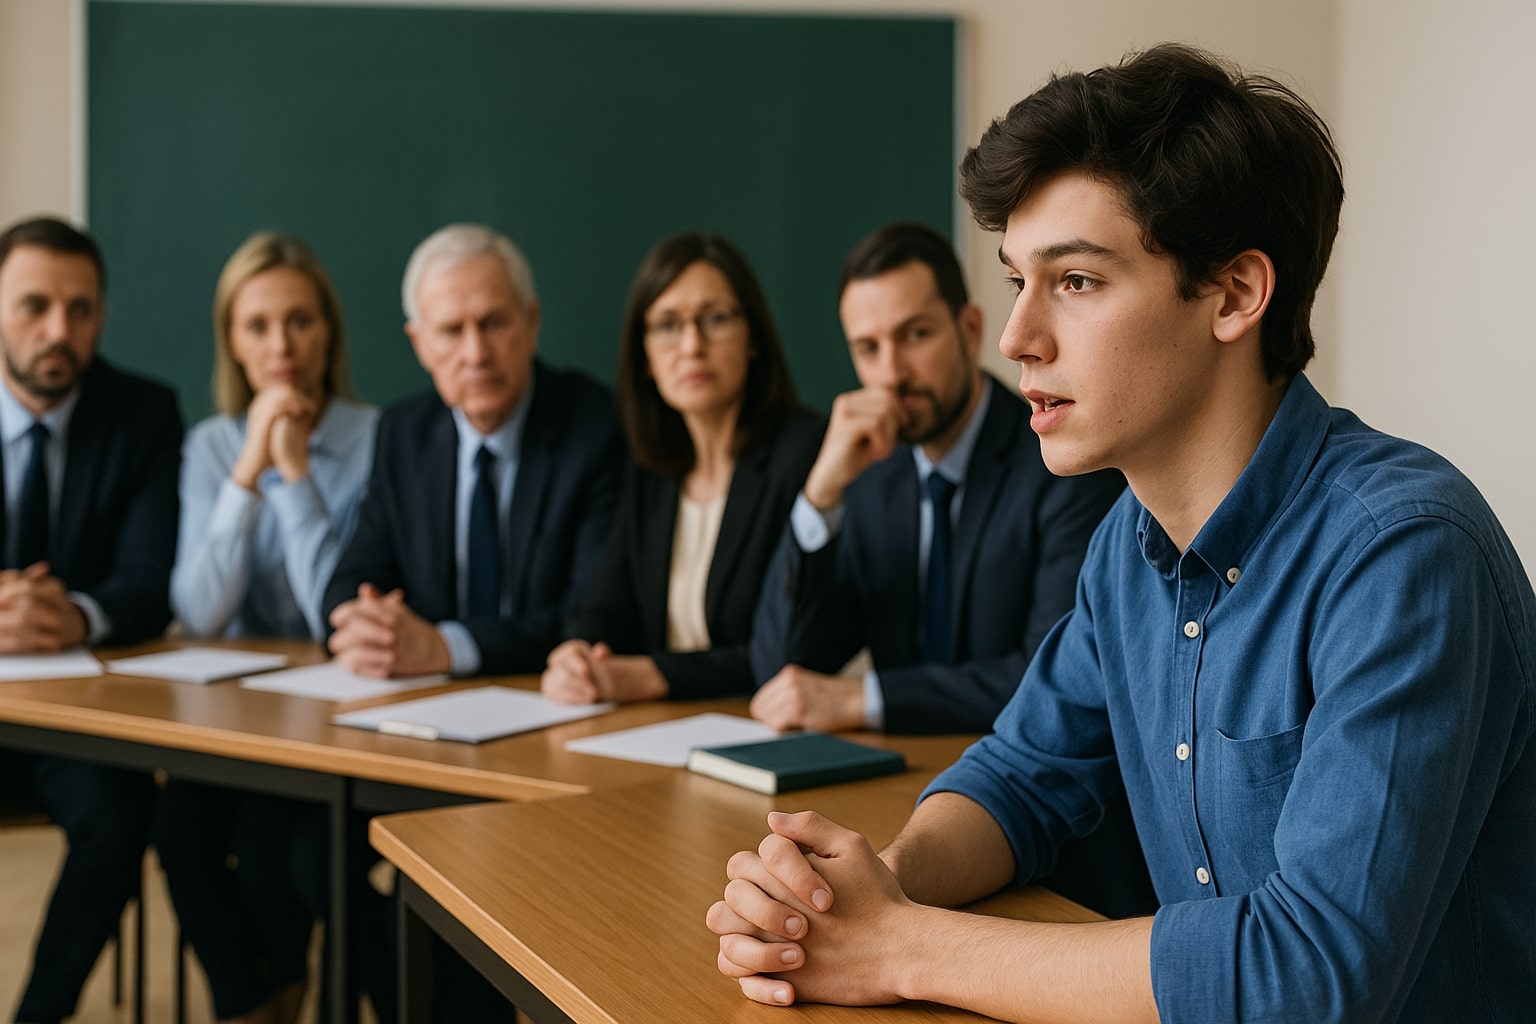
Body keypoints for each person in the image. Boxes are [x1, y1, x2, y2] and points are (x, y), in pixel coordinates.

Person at [708, 44, 1536, 1023]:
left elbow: (1311, 974)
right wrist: (865, 895)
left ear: (1234, 294)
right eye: (1019, 279)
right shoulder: (1127, 544)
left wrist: (902, 948)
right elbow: (1022, 775)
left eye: (1077, 282)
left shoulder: (1404, 554)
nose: (1016, 338)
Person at [748, 222, 1124, 736]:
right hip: (896, 776)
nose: (891, 373)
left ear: (969, 331)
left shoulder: (1061, 461)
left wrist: (868, 699)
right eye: (867, 348)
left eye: (915, 335)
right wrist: (820, 496)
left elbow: (1053, 678)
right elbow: (780, 669)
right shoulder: (868, 474)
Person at [156, 232, 378, 1024]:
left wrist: (293, 474)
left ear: (329, 332)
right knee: (179, 834)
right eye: (257, 326)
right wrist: (247, 467)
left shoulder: (376, 438)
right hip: (235, 722)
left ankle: (281, 998)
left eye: (300, 321)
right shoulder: (211, 445)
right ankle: (254, 1003)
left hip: (339, 724)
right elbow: (200, 609)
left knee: (278, 855)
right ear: (232, 342)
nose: (280, 345)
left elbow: (334, 615)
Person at [0, 216, 181, 1024]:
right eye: (33, 306)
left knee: (119, 818)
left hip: (75, 717)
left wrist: (72, 613)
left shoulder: (142, 413)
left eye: (80, 309)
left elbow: (148, 585)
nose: (57, 331)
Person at [321, 222, 623, 678]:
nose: (476, 353)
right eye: (450, 331)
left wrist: (445, 648)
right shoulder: (404, 433)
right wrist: (363, 625)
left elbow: (589, 616)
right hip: (426, 707)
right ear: (420, 345)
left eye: (493, 323)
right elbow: (354, 576)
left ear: (532, 321)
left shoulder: (597, 426)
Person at [541, 232, 823, 705]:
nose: (691, 345)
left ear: (753, 337)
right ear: (645, 356)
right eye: (668, 325)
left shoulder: (803, 454)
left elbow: (784, 651)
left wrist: (651, 675)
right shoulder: (652, 470)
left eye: (715, 319)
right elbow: (604, 605)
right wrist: (576, 653)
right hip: (663, 734)